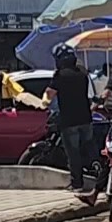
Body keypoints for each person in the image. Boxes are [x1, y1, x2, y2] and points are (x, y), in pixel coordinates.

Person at [43, 43, 99, 196]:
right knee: (88, 149)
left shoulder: (60, 75)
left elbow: (49, 94)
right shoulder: (82, 74)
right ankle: (99, 175)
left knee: (73, 154)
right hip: (86, 118)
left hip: (69, 121)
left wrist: (44, 99)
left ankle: (77, 184)